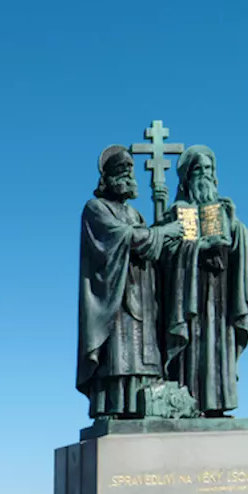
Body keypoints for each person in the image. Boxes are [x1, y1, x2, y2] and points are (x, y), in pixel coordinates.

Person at [77, 145, 185, 417]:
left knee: (143, 352)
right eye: (120, 171)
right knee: (118, 353)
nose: (127, 176)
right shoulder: (95, 208)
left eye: (129, 171)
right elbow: (125, 238)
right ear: (107, 177)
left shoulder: (135, 214)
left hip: (142, 292)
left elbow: (151, 248)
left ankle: (141, 405)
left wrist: (163, 223)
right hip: (114, 293)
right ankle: (112, 405)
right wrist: (161, 232)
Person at [160, 145, 248, 415]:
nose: (204, 174)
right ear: (187, 176)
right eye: (198, 169)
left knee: (219, 346)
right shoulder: (182, 211)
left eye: (208, 169)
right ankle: (189, 404)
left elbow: (239, 244)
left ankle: (218, 404)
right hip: (191, 293)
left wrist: (235, 224)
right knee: (193, 347)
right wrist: (201, 247)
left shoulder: (221, 210)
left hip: (221, 292)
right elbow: (168, 251)